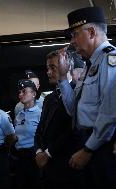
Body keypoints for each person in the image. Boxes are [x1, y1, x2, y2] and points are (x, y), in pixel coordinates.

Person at [58, 7, 116, 188]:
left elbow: (110, 112)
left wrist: (88, 149)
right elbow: (73, 110)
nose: (72, 41)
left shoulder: (110, 60)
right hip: (88, 141)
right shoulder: (89, 66)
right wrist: (62, 77)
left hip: (101, 146)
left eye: (75, 34)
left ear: (91, 32)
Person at [35, 50, 84, 189]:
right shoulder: (49, 98)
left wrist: (48, 153)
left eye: (53, 67)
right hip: (46, 169)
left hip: (67, 168)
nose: (48, 72)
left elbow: (73, 130)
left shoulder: (78, 93)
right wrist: (38, 151)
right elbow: (40, 129)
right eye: (47, 68)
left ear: (66, 67)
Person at [12, 79, 41, 189]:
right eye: (19, 92)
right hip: (19, 158)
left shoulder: (40, 114)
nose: (20, 94)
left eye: (24, 91)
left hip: (34, 157)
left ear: (33, 94)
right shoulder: (19, 115)